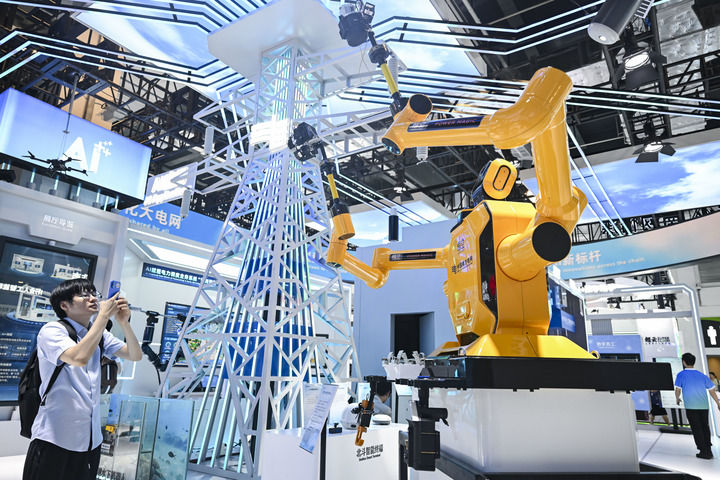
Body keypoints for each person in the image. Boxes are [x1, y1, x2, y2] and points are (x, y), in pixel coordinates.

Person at [22, 279, 143, 480]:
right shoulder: (52, 330)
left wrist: (124, 323)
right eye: (83, 295)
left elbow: (135, 355)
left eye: (93, 293)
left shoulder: (100, 334)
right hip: (54, 437)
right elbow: (79, 357)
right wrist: (103, 317)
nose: (92, 298)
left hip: (90, 440)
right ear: (64, 305)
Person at [674, 352, 720, 460]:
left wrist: (677, 398)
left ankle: (703, 451)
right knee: (705, 427)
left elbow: (678, 389)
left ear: (684, 362)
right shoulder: (702, 375)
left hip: (691, 406)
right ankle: (708, 450)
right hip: (703, 406)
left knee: (696, 428)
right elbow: (712, 390)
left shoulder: (681, 375)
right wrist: (718, 403)